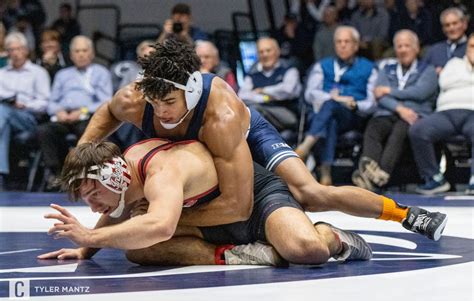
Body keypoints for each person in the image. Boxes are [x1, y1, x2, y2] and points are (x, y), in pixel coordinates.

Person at [78, 38, 447, 242]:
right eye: (154, 104)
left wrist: (176, 219)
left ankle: (406, 214)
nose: (160, 114)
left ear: (191, 90)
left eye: (170, 104)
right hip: (195, 145)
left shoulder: (220, 116)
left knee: (310, 194)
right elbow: (106, 115)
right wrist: (82, 156)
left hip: (245, 132)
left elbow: (238, 205)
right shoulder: (135, 98)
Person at [38, 139, 373, 266]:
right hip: (209, 219)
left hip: (254, 200)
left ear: (114, 177)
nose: (93, 207)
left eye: (93, 195)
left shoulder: (160, 172)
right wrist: (85, 251)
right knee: (137, 248)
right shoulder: (124, 177)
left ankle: (331, 235)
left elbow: (161, 225)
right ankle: (242, 255)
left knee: (307, 251)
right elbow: (118, 215)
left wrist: (89, 237)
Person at [352, 30, 438, 191]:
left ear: (416, 48)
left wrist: (389, 91)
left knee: (400, 130)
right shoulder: (387, 69)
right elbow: (379, 95)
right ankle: (368, 172)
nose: (403, 50)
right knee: (374, 127)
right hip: (389, 113)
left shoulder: (428, 70)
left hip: (413, 115)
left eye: (407, 45)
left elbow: (420, 93)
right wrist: (399, 107)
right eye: (399, 46)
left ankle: (380, 176)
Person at [295, 26, 377, 185]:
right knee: (330, 115)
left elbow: (372, 103)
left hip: (352, 115)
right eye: (339, 42)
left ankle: (305, 147)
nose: (342, 45)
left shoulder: (369, 67)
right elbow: (310, 93)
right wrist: (338, 99)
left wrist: (354, 104)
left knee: (330, 107)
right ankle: (326, 174)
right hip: (326, 114)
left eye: (347, 41)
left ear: (356, 45)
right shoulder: (322, 65)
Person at [37, 35, 112, 190]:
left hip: (87, 116)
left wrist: (82, 111)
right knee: (44, 131)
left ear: (91, 53)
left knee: (87, 132)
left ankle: (84, 173)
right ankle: (55, 173)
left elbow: (106, 101)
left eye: (84, 50)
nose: (81, 54)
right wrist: (58, 112)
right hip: (63, 116)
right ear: (71, 55)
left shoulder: (100, 72)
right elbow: (51, 101)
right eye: (77, 51)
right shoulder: (62, 74)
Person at [409, 33, 474, 195]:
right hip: (446, 112)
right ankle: (434, 178)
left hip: (472, 112)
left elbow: (453, 81)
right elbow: (445, 81)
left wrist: (461, 80)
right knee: (418, 130)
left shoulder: (455, 71)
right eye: (472, 46)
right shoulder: (454, 63)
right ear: (467, 48)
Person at [0, 32, 50, 191]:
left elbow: (44, 104)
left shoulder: (38, 72)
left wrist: (25, 104)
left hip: (28, 118)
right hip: (5, 117)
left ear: (26, 50)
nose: (15, 53)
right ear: (7, 52)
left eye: (18, 49)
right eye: (11, 49)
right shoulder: (2, 73)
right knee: (3, 116)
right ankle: (1, 174)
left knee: (3, 112)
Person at [238, 37, 302, 133]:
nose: (265, 55)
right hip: (261, 112)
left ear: (277, 52)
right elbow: (242, 96)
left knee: (254, 111)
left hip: (287, 113)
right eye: (261, 52)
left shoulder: (289, 70)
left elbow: (288, 90)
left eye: (268, 50)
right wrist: (266, 98)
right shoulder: (252, 75)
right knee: (253, 111)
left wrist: (263, 90)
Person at [423, 7, 468, 74]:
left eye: (455, 23)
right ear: (443, 29)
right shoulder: (434, 50)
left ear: (464, 24)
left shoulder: (471, 47)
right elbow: (422, 73)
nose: (451, 28)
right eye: (447, 25)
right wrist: (433, 72)